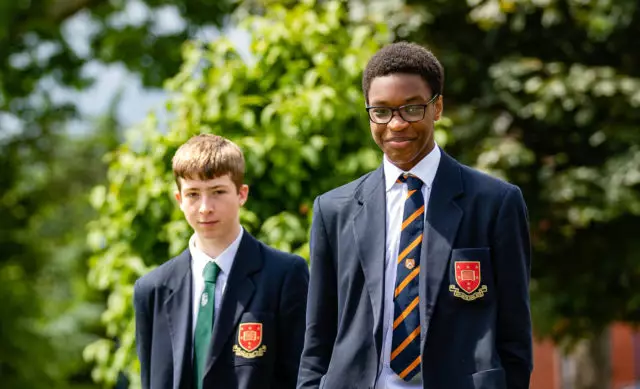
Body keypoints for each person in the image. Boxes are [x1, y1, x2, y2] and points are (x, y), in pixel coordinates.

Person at [297, 42, 532, 389]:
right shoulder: (334, 209)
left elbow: (515, 336)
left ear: (436, 108)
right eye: (381, 111)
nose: (396, 124)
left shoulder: (495, 203)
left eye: (411, 109)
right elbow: (317, 336)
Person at [134, 134, 309, 389]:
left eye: (217, 191)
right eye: (193, 194)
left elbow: (302, 375)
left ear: (242, 194)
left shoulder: (284, 274)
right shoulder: (152, 289)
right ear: (179, 200)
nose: (205, 207)